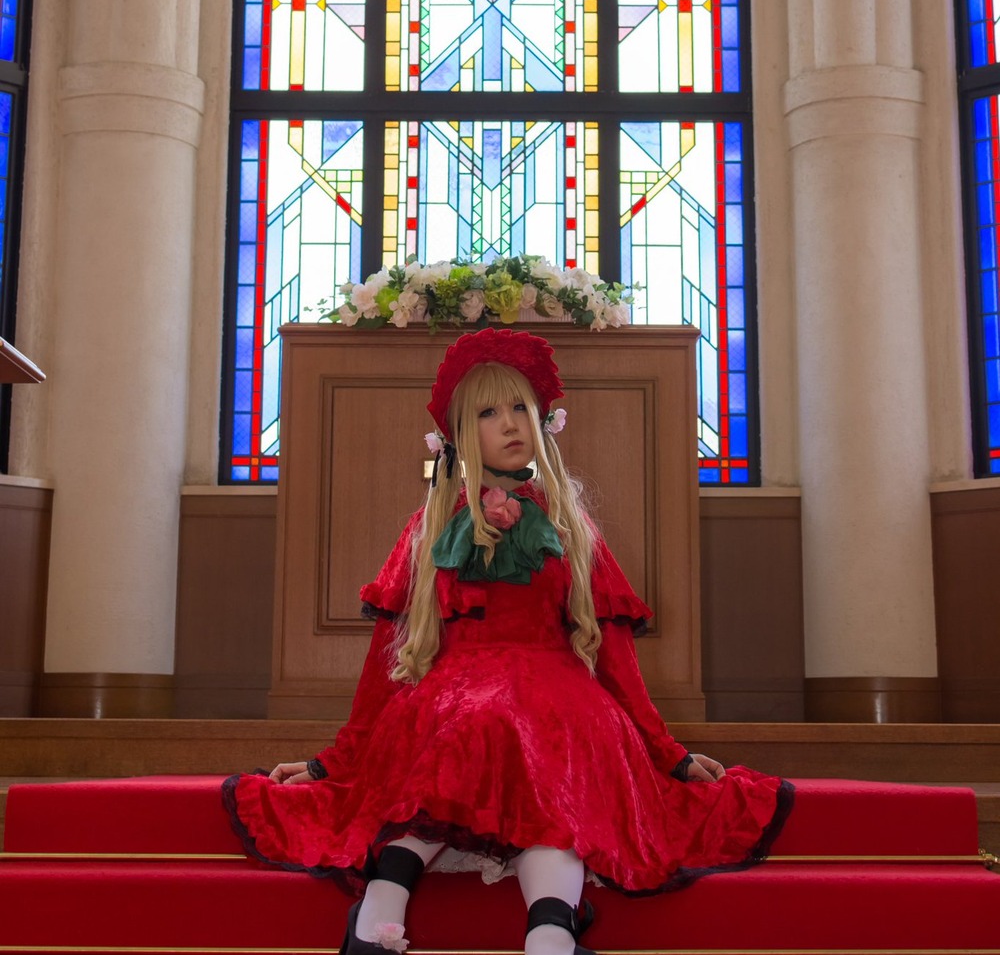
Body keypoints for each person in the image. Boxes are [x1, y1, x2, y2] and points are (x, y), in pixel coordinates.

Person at [223, 329, 793, 955]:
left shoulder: (570, 525)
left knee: (546, 748)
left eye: (520, 407)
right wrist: (337, 759)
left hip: (558, 698)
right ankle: (384, 914)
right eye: (489, 413)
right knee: (478, 727)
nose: (510, 423)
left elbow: (615, 657)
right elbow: (384, 664)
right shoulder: (431, 527)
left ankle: (545, 934)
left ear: (543, 420)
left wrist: (666, 752)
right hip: (453, 696)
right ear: (463, 433)